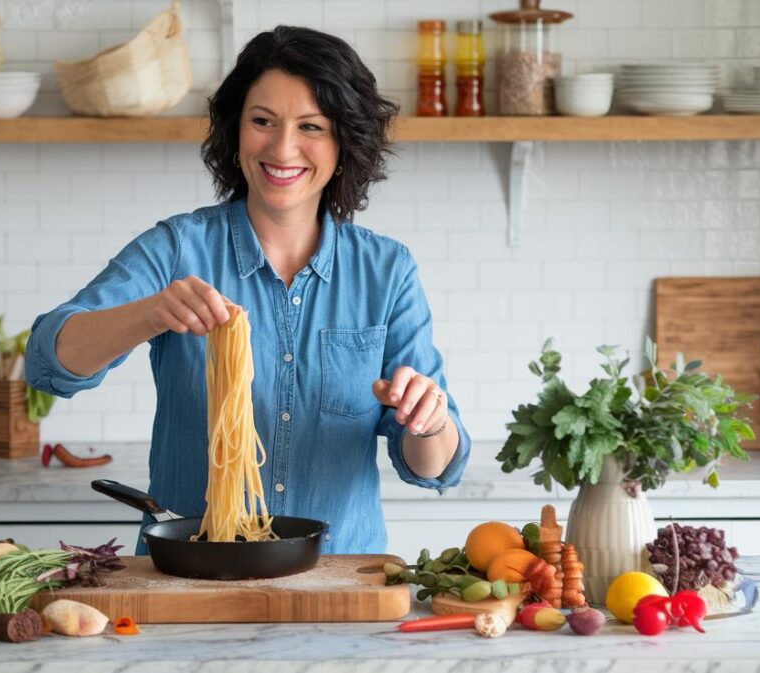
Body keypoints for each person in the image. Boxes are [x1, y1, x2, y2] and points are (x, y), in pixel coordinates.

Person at [26, 26, 470, 554]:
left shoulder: (385, 270)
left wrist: (428, 422)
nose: (283, 147)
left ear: (344, 143)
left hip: (336, 583)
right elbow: (47, 364)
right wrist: (150, 313)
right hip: (192, 576)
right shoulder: (177, 250)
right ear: (235, 133)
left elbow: (436, 469)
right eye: (263, 121)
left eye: (311, 126)